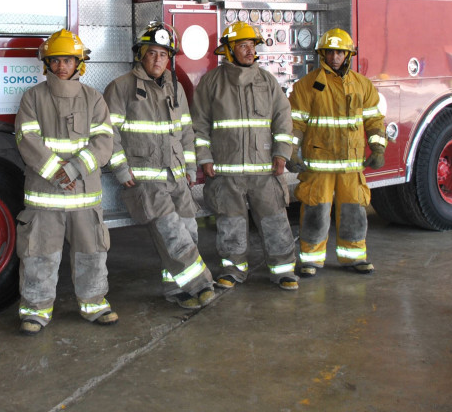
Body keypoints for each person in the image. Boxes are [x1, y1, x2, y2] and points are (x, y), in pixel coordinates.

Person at [104, 21, 215, 310]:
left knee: (189, 232)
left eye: (163, 54)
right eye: (151, 53)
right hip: (146, 181)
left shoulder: (175, 88)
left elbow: (186, 131)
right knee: (172, 234)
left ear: (169, 58)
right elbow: (108, 133)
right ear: (140, 55)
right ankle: (201, 285)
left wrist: (190, 168)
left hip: (177, 177)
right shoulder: (121, 88)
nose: (157, 59)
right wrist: (120, 168)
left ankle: (176, 289)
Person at [15, 29, 118, 334]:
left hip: (83, 195)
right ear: (47, 63)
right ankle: (35, 310)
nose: (61, 66)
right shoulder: (33, 97)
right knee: (39, 254)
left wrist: (72, 170)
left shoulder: (94, 98)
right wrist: (56, 171)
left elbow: (104, 142)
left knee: (92, 253)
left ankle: (94, 303)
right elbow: (26, 138)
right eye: (56, 60)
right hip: (44, 196)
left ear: (79, 64)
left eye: (68, 60)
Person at [190, 21, 298, 290]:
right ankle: (233, 269)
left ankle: (283, 269)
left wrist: (282, 153)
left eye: (252, 46)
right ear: (228, 50)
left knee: (275, 221)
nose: (250, 51)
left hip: (264, 171)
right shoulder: (211, 83)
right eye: (243, 46)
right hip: (227, 172)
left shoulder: (267, 81)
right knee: (231, 223)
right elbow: (198, 124)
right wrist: (205, 158)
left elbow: (283, 119)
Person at [287, 28, 386, 277]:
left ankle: (354, 256)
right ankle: (310, 259)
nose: (334, 57)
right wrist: (291, 150)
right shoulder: (307, 86)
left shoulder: (362, 85)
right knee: (315, 210)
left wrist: (377, 147)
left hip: (351, 165)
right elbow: (295, 123)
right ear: (323, 54)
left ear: (348, 55)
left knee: (354, 210)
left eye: (340, 52)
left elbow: (374, 120)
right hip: (319, 165)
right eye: (330, 52)